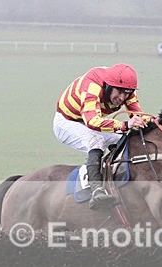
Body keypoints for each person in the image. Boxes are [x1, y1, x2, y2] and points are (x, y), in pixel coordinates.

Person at [53, 63, 150, 209]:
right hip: (67, 122)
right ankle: (96, 190)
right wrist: (124, 125)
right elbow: (92, 121)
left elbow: (138, 115)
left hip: (91, 121)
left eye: (127, 93)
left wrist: (155, 121)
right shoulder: (92, 86)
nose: (122, 98)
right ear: (108, 86)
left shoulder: (127, 91)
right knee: (95, 140)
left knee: (125, 139)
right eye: (119, 92)